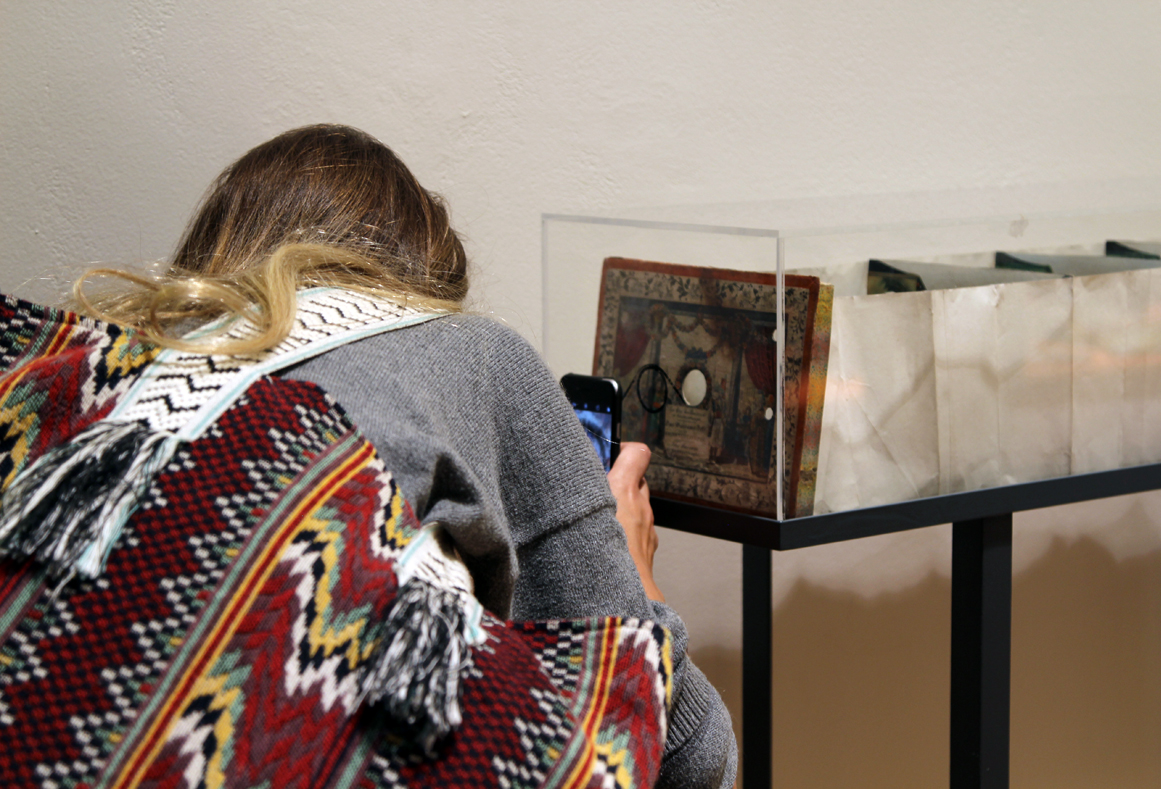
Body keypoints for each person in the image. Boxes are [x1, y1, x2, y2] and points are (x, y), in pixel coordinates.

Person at [5, 125, 737, 787]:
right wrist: (639, 578)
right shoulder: (470, 350)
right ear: (423, 281)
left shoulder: (88, 380)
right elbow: (692, 759)